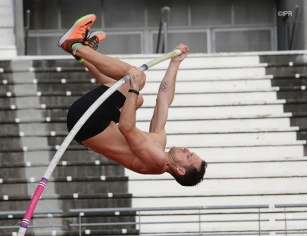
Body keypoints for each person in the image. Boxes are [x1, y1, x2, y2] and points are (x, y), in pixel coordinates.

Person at [59, 14, 207, 186]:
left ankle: (75, 45)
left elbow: (126, 127)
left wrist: (134, 87)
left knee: (136, 78)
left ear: (180, 170)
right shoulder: (159, 145)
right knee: (136, 99)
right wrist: (174, 63)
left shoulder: (157, 160)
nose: (186, 150)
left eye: (188, 156)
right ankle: (84, 54)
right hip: (89, 124)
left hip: (86, 121)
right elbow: (163, 101)